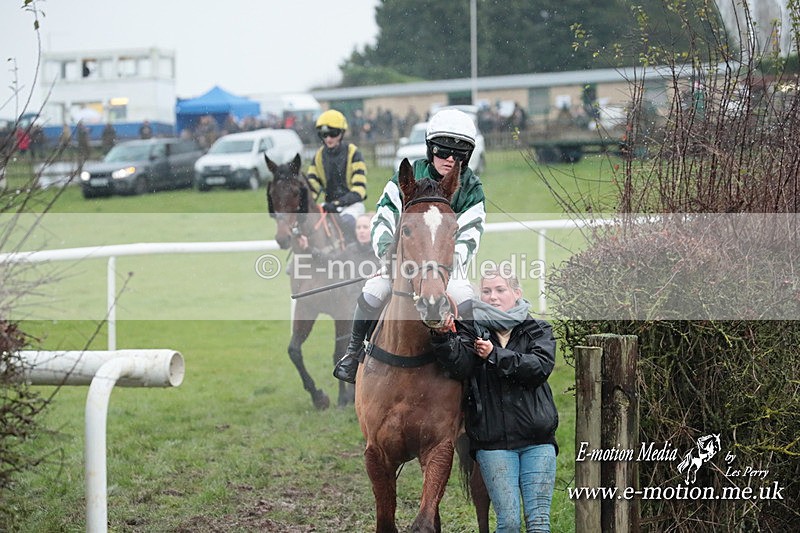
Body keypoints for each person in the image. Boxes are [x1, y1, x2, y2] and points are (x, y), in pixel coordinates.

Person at [333, 108, 486, 384]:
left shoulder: (472, 188)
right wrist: (389, 260)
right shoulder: (407, 177)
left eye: (459, 154)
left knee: (463, 296)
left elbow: (470, 233)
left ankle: (475, 369)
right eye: (443, 151)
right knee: (373, 290)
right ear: (431, 149)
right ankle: (353, 353)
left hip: (445, 267)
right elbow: (384, 217)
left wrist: (445, 269)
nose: (450, 159)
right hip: (403, 262)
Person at [435, 267, 559, 532]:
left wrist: (494, 355)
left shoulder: (537, 330)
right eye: (487, 291)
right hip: (493, 443)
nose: (493, 297)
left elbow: (538, 368)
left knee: (538, 522)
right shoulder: (471, 330)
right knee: (509, 522)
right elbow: (459, 366)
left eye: (500, 290)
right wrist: (444, 338)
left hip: (537, 441)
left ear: (516, 293)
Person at [307, 109, 367, 243]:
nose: (328, 139)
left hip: (352, 205)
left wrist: (337, 203)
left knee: (347, 222)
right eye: (324, 134)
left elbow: (359, 191)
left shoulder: (354, 153)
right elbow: (312, 187)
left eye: (332, 134)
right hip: (328, 205)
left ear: (341, 133)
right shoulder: (318, 156)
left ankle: (356, 255)